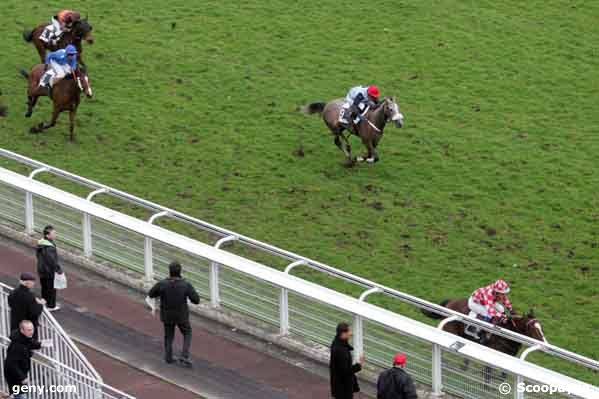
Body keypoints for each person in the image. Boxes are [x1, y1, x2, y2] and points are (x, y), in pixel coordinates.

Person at [148, 261, 200, 367]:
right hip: (182, 315)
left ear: (169, 271)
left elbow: (151, 293)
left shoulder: (162, 283)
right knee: (187, 333)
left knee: (168, 336)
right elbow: (196, 300)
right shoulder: (186, 285)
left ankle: (168, 357)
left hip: (167, 315)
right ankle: (184, 356)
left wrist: (160, 293)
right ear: (180, 271)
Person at [3, 321, 42, 399]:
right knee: (20, 395)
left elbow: (30, 343)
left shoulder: (23, 338)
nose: (31, 332)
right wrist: (22, 377)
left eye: (32, 329)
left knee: (18, 394)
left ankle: (12, 396)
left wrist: (40, 345)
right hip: (14, 376)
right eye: (29, 330)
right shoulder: (17, 346)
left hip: (18, 374)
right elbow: (11, 364)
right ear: (22, 330)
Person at [330, 322, 364, 399]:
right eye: (349, 331)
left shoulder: (336, 343)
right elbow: (346, 371)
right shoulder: (341, 351)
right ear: (343, 333)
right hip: (343, 388)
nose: (351, 334)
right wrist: (359, 364)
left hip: (338, 386)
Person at [7, 273, 45, 337]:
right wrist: (41, 304)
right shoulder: (30, 296)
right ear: (28, 283)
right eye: (32, 282)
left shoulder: (13, 292)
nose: (34, 284)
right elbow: (35, 312)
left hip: (15, 324)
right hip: (27, 327)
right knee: (29, 344)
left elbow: (10, 304)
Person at [36, 225, 64, 311]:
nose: (56, 235)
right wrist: (59, 270)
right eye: (54, 233)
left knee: (44, 287)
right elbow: (52, 261)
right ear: (48, 235)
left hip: (41, 269)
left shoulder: (41, 243)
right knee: (51, 288)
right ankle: (51, 306)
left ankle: (44, 302)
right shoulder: (49, 247)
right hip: (49, 271)